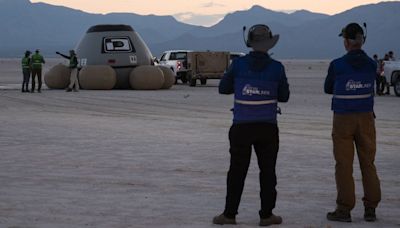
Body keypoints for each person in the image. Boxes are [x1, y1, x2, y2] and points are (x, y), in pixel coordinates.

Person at [213, 24, 290, 226]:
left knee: (237, 171)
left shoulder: (238, 65)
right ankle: (266, 215)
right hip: (267, 127)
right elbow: (284, 96)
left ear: (250, 42)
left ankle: (229, 215)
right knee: (268, 171)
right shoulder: (277, 67)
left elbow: (223, 89)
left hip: (241, 126)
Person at [324, 23, 381, 223]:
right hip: (366, 118)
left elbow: (328, 88)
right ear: (362, 40)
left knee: (343, 164)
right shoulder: (371, 64)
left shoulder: (337, 65)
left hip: (343, 119)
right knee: (368, 163)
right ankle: (371, 208)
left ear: (347, 41)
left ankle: (344, 209)